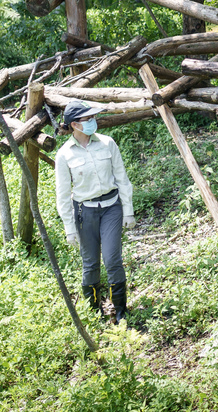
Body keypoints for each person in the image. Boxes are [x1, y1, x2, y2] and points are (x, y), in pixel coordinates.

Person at [55, 100, 135, 323]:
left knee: (112, 259)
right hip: (84, 212)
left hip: (111, 208)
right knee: (90, 263)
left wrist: (128, 211)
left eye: (93, 118)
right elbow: (62, 195)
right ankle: (94, 312)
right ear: (74, 125)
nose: (92, 122)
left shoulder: (108, 143)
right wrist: (69, 228)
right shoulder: (64, 154)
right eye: (87, 119)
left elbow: (122, 178)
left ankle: (120, 311)